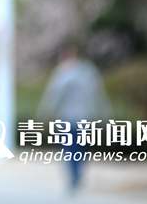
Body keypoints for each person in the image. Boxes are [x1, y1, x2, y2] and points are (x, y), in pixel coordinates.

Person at [36, 41, 111, 193]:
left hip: (69, 118)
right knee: (79, 148)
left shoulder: (64, 72)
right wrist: (104, 114)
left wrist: (44, 113)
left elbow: (53, 96)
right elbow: (98, 94)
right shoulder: (88, 71)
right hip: (84, 118)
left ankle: (74, 177)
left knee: (70, 149)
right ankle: (77, 176)